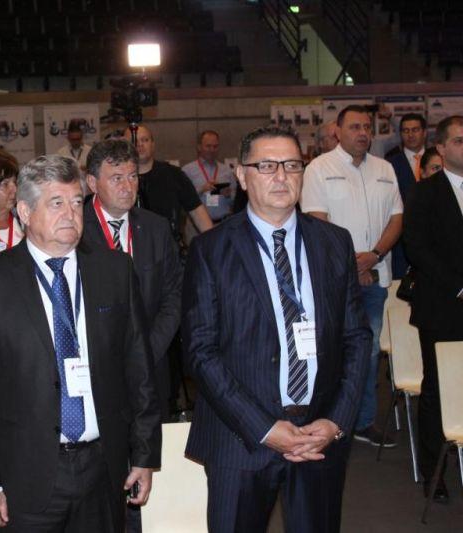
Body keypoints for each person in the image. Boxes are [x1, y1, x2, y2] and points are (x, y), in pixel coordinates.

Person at [0, 155, 161, 532]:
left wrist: (145, 455)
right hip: (24, 475)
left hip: (104, 467)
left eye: (76, 202)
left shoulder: (115, 270)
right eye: (56, 203)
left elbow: (139, 371)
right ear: (25, 212)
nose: (70, 214)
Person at [183, 126, 370, 532]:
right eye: (266, 166)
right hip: (240, 438)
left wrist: (336, 421)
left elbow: (356, 338)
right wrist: (264, 428)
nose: (281, 176)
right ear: (242, 175)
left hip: (319, 435)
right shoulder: (211, 250)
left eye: (292, 165)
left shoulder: (334, 243)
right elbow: (200, 352)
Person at [301, 104, 403, 448]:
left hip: (376, 275)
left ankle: (363, 421)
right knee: (330, 352)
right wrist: (353, 267)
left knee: (369, 353)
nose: (363, 133)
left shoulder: (385, 169)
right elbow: (317, 222)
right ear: (337, 131)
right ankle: (329, 422)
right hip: (335, 280)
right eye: (355, 127)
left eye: (367, 127)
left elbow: (397, 219)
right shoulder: (319, 168)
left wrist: (374, 256)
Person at [82, 139, 181, 423]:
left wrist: (147, 350)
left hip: (151, 367)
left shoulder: (156, 228)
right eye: (116, 178)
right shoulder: (75, 229)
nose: (128, 186)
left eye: (133, 176)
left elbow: (174, 295)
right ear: (92, 183)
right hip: (94, 370)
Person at [403, 115, 463, 503]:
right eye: (459, 141)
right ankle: (434, 473)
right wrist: (459, 285)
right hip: (443, 305)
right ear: (441, 147)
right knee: (438, 391)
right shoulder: (425, 193)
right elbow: (417, 247)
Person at [125, 125, 212, 250]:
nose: (139, 145)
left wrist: (215, 244)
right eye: (134, 140)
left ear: (153, 144)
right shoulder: (118, 180)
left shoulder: (174, 174)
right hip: (130, 250)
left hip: (169, 250)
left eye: (145, 140)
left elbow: (197, 212)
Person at [386, 113, 428, 278]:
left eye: (415, 130)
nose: (410, 135)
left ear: (424, 132)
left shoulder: (439, 159)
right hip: (402, 239)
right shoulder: (389, 164)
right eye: (406, 131)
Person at [182, 130, 236, 223]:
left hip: (223, 223)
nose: (212, 150)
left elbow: (235, 200)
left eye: (215, 146)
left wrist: (229, 195)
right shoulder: (187, 170)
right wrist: (201, 189)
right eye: (208, 146)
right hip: (197, 225)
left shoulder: (226, 170)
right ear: (199, 147)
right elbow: (182, 199)